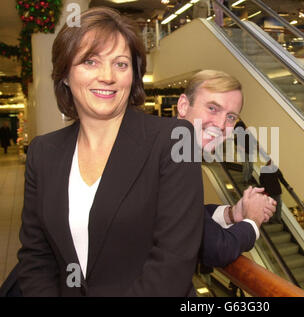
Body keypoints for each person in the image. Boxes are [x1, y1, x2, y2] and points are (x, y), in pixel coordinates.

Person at [16, 7, 204, 297]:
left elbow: (173, 262)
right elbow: (35, 259)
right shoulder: (43, 152)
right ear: (65, 74)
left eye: (120, 64)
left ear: (134, 75)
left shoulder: (174, 141)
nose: (107, 76)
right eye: (90, 61)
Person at [176, 70, 277, 269]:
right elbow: (217, 249)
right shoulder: (176, 160)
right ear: (183, 105)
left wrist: (233, 214)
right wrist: (253, 220)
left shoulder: (177, 148)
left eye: (231, 117)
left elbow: (184, 215)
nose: (221, 125)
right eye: (212, 108)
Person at [234, 120, 255, 186]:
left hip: (250, 151)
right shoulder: (239, 134)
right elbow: (236, 141)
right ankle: (245, 180)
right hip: (243, 153)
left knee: (251, 167)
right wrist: (240, 147)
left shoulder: (248, 133)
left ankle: (248, 179)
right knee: (246, 167)